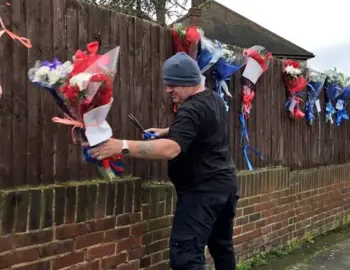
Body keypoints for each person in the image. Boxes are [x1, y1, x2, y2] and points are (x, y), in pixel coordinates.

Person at [86, 52, 239, 270]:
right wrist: (168, 130)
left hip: (202, 193)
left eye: (173, 84)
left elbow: (171, 149)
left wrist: (121, 146)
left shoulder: (191, 108)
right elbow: (201, 127)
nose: (168, 90)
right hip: (226, 189)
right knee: (222, 248)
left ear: (188, 81)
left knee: (185, 257)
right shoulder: (213, 98)